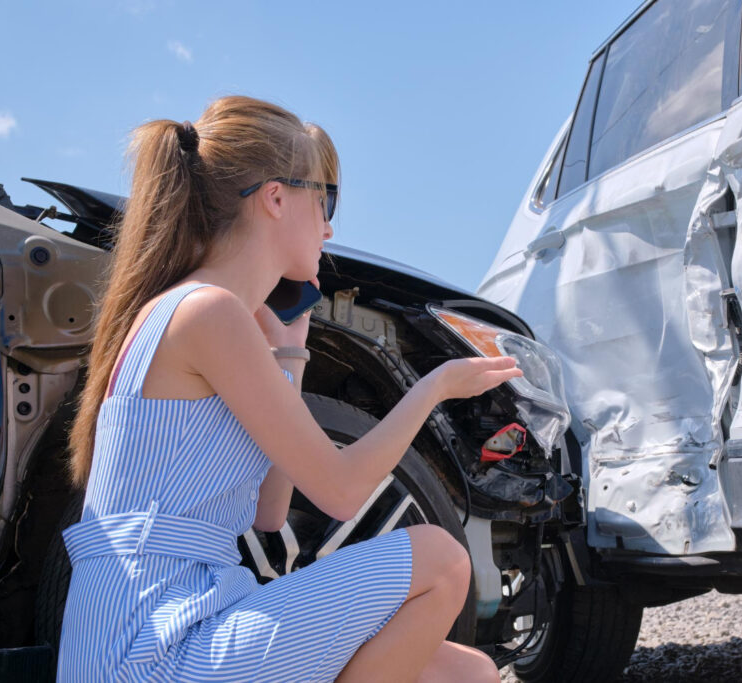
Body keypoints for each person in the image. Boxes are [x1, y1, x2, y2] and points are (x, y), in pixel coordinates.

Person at [58, 95, 519, 681]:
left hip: (172, 625)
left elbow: (268, 512)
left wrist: (289, 353)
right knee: (441, 560)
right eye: (323, 198)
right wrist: (430, 390)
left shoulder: (205, 314)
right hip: (155, 645)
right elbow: (343, 494)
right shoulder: (206, 311)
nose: (329, 225)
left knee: (465, 673)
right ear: (276, 197)